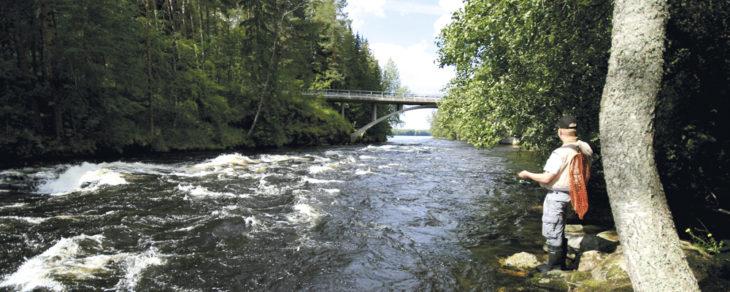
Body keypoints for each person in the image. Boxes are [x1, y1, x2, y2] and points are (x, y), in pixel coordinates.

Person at [517, 115, 593, 272]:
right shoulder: (585, 149)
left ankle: (554, 266)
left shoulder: (560, 153)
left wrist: (527, 174)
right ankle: (562, 263)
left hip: (558, 196)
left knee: (552, 229)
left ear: (560, 132)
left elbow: (547, 178)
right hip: (574, 195)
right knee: (560, 227)